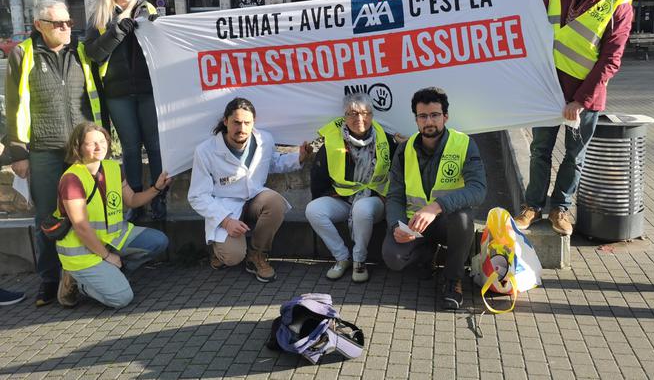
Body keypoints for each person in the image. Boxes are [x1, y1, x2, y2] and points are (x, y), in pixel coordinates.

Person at [514, 0, 633, 236]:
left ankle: (560, 209)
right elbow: (531, 23)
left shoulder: (619, 4)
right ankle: (532, 207)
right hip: (549, 90)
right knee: (540, 150)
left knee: (574, 156)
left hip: (585, 98)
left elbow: (611, 60)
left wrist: (579, 101)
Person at [5, 0, 102, 307]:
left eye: (69, 23)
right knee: (47, 217)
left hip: (81, 150)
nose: (65, 28)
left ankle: (85, 273)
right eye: (58, 23)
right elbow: (13, 105)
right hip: (44, 149)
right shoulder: (23, 53)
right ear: (39, 26)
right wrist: (17, 153)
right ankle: (49, 279)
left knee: (88, 212)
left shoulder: (81, 52)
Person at [382, 87, 486, 310]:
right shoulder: (404, 150)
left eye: (435, 115)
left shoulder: (464, 144)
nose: (429, 121)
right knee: (393, 257)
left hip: (449, 224)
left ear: (445, 117)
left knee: (464, 217)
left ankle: (452, 279)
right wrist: (395, 226)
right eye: (423, 116)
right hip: (415, 224)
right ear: (416, 120)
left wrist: (437, 206)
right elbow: (395, 195)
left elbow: (478, 189)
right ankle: (426, 255)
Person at [188, 97, 312, 283]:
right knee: (232, 257)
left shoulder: (264, 140)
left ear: (254, 122)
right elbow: (197, 196)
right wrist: (226, 221)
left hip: (254, 198)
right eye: (236, 122)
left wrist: (299, 158)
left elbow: (272, 163)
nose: (242, 128)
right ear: (225, 122)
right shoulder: (206, 151)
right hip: (226, 207)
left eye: (247, 123)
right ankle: (218, 251)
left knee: (275, 202)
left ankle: (257, 255)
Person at [55, 122, 170, 309]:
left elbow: (132, 200)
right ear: (78, 147)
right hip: (82, 251)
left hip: (113, 237)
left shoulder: (112, 168)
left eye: (102, 141)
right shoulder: (71, 179)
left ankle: (114, 274)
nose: (99, 147)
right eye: (92, 143)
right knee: (122, 298)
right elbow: (81, 227)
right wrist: (107, 256)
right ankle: (77, 282)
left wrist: (157, 188)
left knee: (158, 241)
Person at [83, 0, 165, 221]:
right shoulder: (99, 16)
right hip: (117, 93)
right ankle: (135, 203)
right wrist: (117, 29)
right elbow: (93, 53)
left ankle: (160, 200)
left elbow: (163, 44)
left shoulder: (148, 9)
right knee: (130, 148)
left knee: (155, 147)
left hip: (149, 90)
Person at [305, 93, 398, 283]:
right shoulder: (332, 141)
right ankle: (342, 257)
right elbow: (319, 176)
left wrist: (385, 196)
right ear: (344, 117)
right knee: (313, 210)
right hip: (344, 198)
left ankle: (359, 261)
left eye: (365, 113)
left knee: (362, 207)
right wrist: (332, 194)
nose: (359, 119)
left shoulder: (387, 140)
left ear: (372, 115)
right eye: (353, 114)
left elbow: (398, 175)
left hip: (375, 201)